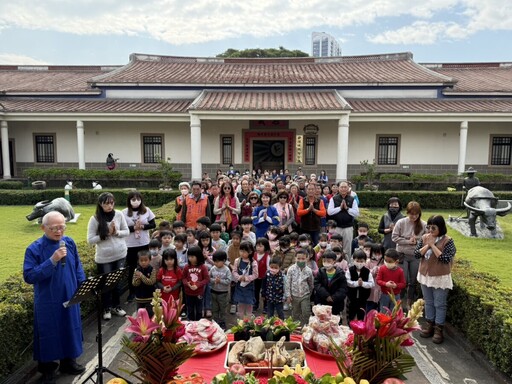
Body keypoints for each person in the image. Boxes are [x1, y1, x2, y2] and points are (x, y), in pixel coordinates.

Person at [23, 212, 86, 384]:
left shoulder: (69, 243)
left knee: (69, 327)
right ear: (43, 228)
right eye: (54, 228)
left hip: (70, 294)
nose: (59, 231)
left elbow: (77, 266)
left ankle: (68, 362)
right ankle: (48, 369)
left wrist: (82, 286)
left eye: (62, 227)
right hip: (47, 300)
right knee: (48, 332)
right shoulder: (34, 248)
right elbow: (29, 276)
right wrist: (52, 260)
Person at [415, 215, 456, 344]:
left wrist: (433, 246)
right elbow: (417, 254)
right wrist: (427, 245)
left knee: (440, 303)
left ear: (441, 227)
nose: (430, 230)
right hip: (425, 276)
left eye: (434, 227)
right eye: (428, 227)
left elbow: (445, 258)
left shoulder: (448, 241)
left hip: (440, 277)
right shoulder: (424, 238)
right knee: (428, 302)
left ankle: (439, 329)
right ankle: (429, 324)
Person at [87, 192, 129, 320]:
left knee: (116, 282)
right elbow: (90, 239)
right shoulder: (95, 219)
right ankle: (107, 307)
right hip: (104, 258)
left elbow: (126, 231)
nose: (109, 206)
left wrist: (116, 232)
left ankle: (116, 306)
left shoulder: (119, 214)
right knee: (106, 283)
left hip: (120, 254)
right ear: (101, 204)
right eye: (106, 203)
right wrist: (105, 234)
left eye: (111, 203)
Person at [391, 201, 426, 310]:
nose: (414, 216)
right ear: (407, 213)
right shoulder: (401, 222)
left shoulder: (423, 224)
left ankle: (409, 302)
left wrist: (417, 241)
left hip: (416, 255)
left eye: (416, 214)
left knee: (413, 280)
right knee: (403, 279)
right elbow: (394, 237)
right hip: (402, 254)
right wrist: (407, 241)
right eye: (412, 214)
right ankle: (399, 301)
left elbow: (427, 239)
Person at [122, 191, 156, 302]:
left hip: (143, 243)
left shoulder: (146, 210)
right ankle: (132, 292)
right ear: (129, 201)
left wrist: (142, 226)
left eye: (138, 199)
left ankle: (146, 289)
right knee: (132, 268)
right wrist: (134, 228)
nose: (135, 201)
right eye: (133, 199)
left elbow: (153, 224)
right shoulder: (124, 213)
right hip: (130, 245)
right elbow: (122, 229)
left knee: (145, 266)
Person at [327, 181, 360, 257]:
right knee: (335, 246)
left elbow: (356, 213)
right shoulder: (333, 199)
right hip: (336, 227)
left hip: (348, 227)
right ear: (338, 188)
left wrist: (347, 208)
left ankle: (347, 265)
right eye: (342, 187)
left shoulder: (352, 199)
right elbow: (329, 212)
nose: (343, 189)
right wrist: (340, 208)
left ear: (348, 188)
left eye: (345, 187)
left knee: (347, 247)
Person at [314, 250, 347, 318]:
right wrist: (326, 296)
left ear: (334, 262)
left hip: (336, 304)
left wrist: (334, 297)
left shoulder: (340, 274)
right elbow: (317, 285)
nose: (326, 263)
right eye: (324, 261)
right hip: (322, 302)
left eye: (328, 261)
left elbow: (343, 289)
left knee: (334, 322)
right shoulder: (320, 272)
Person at [285, 248, 314, 326]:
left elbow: (311, 283)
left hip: (305, 295)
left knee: (306, 312)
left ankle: (305, 327)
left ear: (307, 258)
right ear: (295, 258)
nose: (300, 260)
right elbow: (287, 283)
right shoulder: (291, 269)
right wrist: (288, 295)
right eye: (298, 258)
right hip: (294, 296)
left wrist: (309, 294)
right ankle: (296, 327)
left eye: (303, 259)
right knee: (295, 313)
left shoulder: (309, 270)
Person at [182, 245, 209, 321]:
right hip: (188, 293)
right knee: (190, 309)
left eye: (192, 257)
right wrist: (188, 284)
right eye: (189, 256)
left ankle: (198, 323)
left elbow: (207, 279)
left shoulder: (203, 267)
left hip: (199, 293)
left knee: (199, 310)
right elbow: (183, 278)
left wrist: (198, 285)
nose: (190, 258)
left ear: (198, 256)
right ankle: (190, 323)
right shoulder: (186, 267)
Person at [232, 241, 258, 320]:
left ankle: (249, 319)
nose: (242, 253)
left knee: (249, 303)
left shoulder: (253, 263)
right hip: (240, 286)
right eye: (241, 251)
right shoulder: (237, 261)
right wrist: (239, 277)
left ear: (250, 252)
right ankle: (241, 319)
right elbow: (234, 271)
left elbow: (256, 275)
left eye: (244, 251)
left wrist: (246, 278)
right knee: (240, 303)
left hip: (249, 286)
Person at [346, 249, 374, 321]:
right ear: (353, 260)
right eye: (357, 261)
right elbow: (347, 281)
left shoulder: (367, 272)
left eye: (361, 261)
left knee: (361, 314)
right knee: (351, 314)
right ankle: (350, 327)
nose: (359, 263)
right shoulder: (350, 270)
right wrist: (356, 283)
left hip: (363, 298)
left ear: (365, 261)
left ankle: (360, 327)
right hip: (351, 297)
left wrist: (363, 284)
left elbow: (371, 283)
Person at [209, 250, 232, 329]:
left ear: (224, 261)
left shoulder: (227, 270)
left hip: (223, 293)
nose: (216, 263)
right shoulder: (212, 269)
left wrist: (220, 281)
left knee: (223, 308)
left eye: (218, 261)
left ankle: (222, 322)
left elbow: (229, 281)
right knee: (214, 308)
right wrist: (214, 280)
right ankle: (214, 321)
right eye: (214, 261)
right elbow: (209, 278)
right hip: (213, 292)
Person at [132, 250, 157, 317]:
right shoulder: (136, 270)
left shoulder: (152, 270)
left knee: (151, 315)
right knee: (140, 316)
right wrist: (137, 279)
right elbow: (134, 283)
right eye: (141, 260)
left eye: (145, 260)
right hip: (139, 298)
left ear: (150, 260)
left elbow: (151, 282)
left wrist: (141, 276)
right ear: (138, 261)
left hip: (149, 297)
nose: (143, 262)